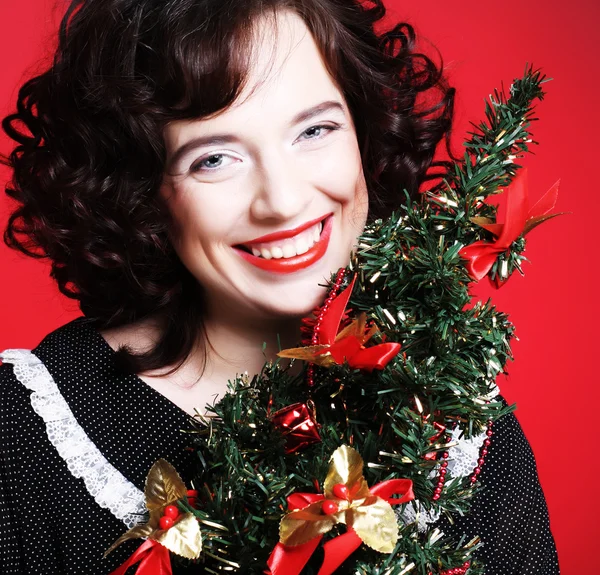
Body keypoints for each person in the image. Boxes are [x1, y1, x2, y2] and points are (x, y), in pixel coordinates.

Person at [0, 0, 558, 573]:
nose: (283, 201)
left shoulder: (456, 418)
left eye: (315, 129)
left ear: (363, 134)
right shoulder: (27, 433)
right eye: (214, 158)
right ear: (142, 193)